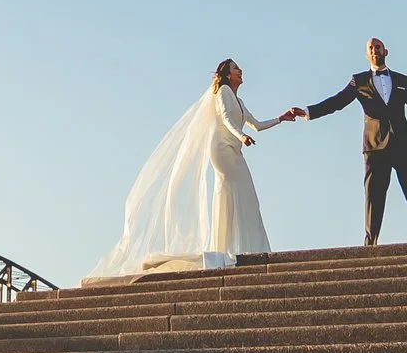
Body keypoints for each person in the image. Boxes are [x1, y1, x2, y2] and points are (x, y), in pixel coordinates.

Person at [85, 59, 287, 280]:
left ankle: (242, 248)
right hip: (222, 149)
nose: (241, 70)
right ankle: (228, 249)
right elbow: (227, 120)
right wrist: (242, 136)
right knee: (232, 191)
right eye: (236, 68)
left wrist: (282, 118)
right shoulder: (223, 93)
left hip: (235, 150)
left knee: (246, 195)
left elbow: (256, 124)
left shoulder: (239, 100)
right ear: (228, 75)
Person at [290, 37, 407, 245]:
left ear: (386, 51)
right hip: (375, 150)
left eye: (378, 47)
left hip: (404, 147)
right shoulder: (359, 81)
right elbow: (336, 102)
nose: (374, 50)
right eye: (370, 48)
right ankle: (370, 249)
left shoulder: (402, 81)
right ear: (366, 54)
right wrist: (308, 112)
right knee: (374, 201)